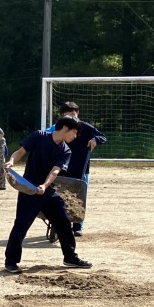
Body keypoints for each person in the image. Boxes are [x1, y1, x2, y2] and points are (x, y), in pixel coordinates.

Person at [3, 116, 92, 274]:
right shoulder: (39, 136)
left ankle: (70, 258)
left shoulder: (66, 150)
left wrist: (44, 185)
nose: (75, 136)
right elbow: (20, 152)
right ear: (65, 128)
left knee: (64, 222)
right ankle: (11, 262)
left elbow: (55, 171)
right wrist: (11, 161)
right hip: (29, 190)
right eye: (75, 132)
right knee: (21, 225)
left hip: (48, 191)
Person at [55, 101, 106, 236]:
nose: (71, 118)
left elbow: (102, 136)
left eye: (73, 114)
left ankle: (77, 226)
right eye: (67, 115)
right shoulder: (59, 128)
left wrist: (95, 140)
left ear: (78, 113)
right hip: (62, 167)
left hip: (81, 168)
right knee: (59, 196)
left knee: (79, 196)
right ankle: (59, 224)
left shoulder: (86, 127)